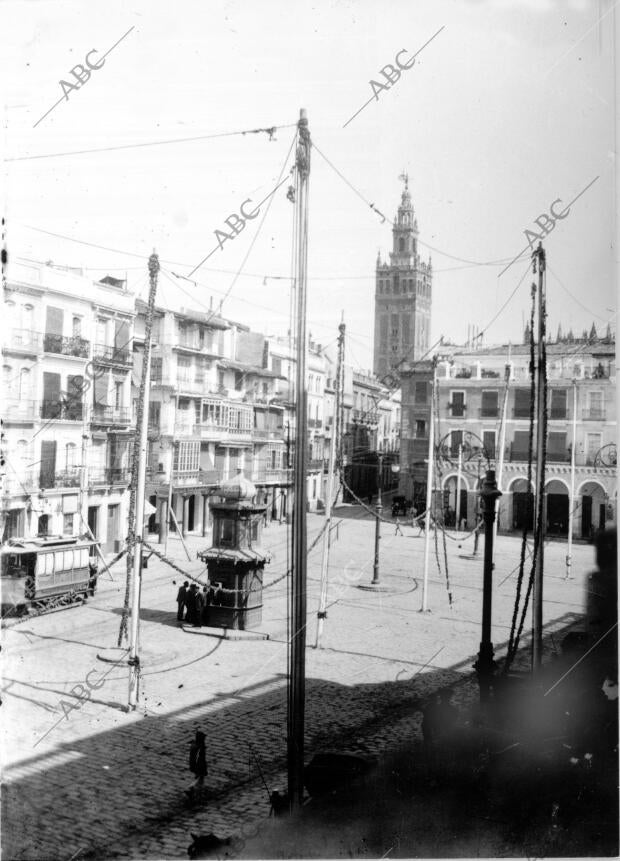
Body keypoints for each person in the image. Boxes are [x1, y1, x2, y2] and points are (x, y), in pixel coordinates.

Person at [186, 730, 208, 802]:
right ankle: (192, 790)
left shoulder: (195, 746)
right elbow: (200, 759)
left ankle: (194, 791)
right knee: (199, 779)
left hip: (195, 766)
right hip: (199, 767)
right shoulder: (199, 748)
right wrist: (203, 769)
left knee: (198, 779)